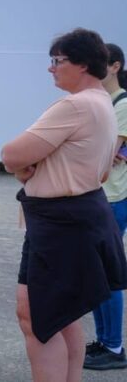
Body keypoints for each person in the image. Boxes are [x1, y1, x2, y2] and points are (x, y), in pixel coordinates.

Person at [1, 28, 127, 381]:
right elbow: (103, 170)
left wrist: (24, 167)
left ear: (83, 64)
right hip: (77, 215)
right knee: (61, 315)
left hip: (61, 223)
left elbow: (11, 154)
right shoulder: (103, 102)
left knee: (38, 319)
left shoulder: (75, 105)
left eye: (57, 61)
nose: (51, 68)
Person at [84, 42, 127, 371]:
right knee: (96, 271)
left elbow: (107, 152)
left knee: (106, 272)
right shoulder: (104, 102)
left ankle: (113, 346)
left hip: (113, 196)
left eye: (102, 63)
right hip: (101, 194)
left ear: (115, 66)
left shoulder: (122, 104)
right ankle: (104, 340)